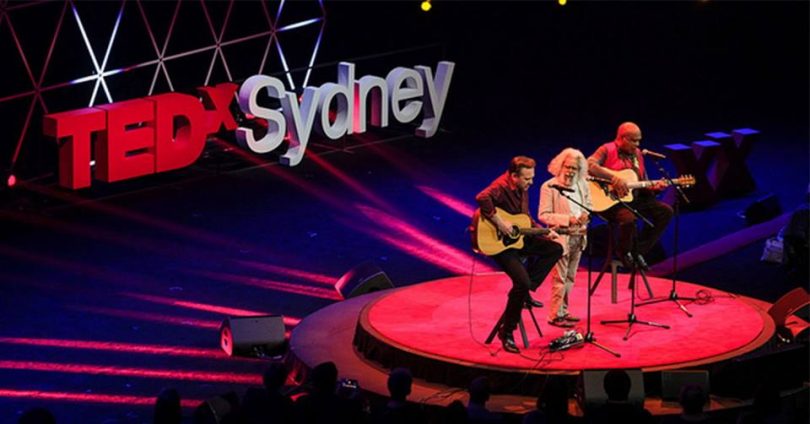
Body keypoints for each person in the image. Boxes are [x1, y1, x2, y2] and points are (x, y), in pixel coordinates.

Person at [475, 156, 564, 353]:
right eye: (527, 179)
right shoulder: (501, 185)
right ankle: (506, 333)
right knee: (520, 283)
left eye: (532, 178)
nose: (531, 183)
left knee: (555, 248)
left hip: (517, 240)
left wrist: (544, 231)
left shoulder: (522, 189)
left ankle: (527, 289)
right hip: (500, 246)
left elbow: (524, 219)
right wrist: (500, 223)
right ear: (513, 176)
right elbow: (482, 197)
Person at [587, 122, 673, 269]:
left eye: (639, 140)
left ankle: (637, 251)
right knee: (628, 219)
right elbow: (589, 165)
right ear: (623, 138)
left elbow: (641, 182)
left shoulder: (638, 155)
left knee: (665, 211)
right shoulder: (606, 149)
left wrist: (656, 188)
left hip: (633, 198)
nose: (637, 144)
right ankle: (623, 252)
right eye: (634, 140)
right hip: (611, 201)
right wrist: (613, 178)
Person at [538, 148, 591, 328]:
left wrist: (585, 215)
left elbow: (589, 205)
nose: (570, 172)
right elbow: (543, 215)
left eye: (574, 169)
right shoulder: (549, 186)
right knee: (559, 279)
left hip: (579, 237)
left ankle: (564, 311)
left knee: (570, 277)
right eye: (567, 167)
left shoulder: (583, 184)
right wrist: (568, 219)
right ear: (560, 166)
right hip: (560, 238)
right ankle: (554, 315)